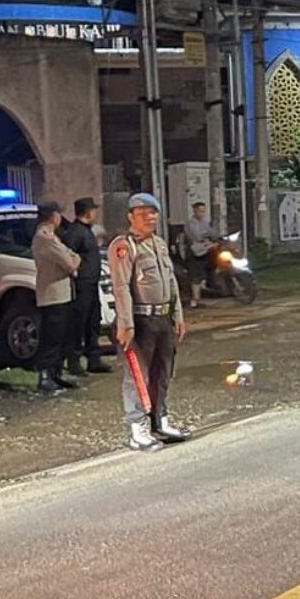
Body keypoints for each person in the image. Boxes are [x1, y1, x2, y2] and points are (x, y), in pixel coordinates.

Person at [108, 193, 188, 452]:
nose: (150, 217)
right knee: (137, 376)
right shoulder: (124, 246)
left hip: (163, 318)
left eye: (153, 212)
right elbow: (121, 287)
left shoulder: (159, 244)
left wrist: (178, 315)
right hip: (139, 321)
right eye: (143, 213)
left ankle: (159, 421)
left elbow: (172, 282)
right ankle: (138, 429)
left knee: (162, 372)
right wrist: (126, 323)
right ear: (131, 217)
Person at [32, 202, 81, 395]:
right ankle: (45, 377)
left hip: (62, 293)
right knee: (51, 337)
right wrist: (74, 262)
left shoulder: (52, 237)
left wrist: (73, 259)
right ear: (53, 216)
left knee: (61, 336)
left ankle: (56, 374)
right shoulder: (45, 237)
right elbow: (70, 262)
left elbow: (71, 256)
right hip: (52, 294)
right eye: (59, 214)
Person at [61, 197, 113, 376]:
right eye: (93, 210)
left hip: (92, 284)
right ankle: (74, 362)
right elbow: (70, 256)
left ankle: (94, 359)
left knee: (93, 322)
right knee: (78, 324)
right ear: (88, 212)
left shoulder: (87, 231)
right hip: (81, 285)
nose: (96, 213)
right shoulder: (75, 232)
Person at [183, 201, 217, 309]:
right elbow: (197, 236)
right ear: (195, 211)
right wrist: (207, 238)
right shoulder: (190, 223)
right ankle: (195, 301)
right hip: (195, 252)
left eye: (204, 211)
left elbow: (213, 233)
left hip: (205, 250)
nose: (202, 213)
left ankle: (199, 297)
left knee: (202, 274)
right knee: (196, 276)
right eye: (200, 211)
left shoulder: (204, 223)